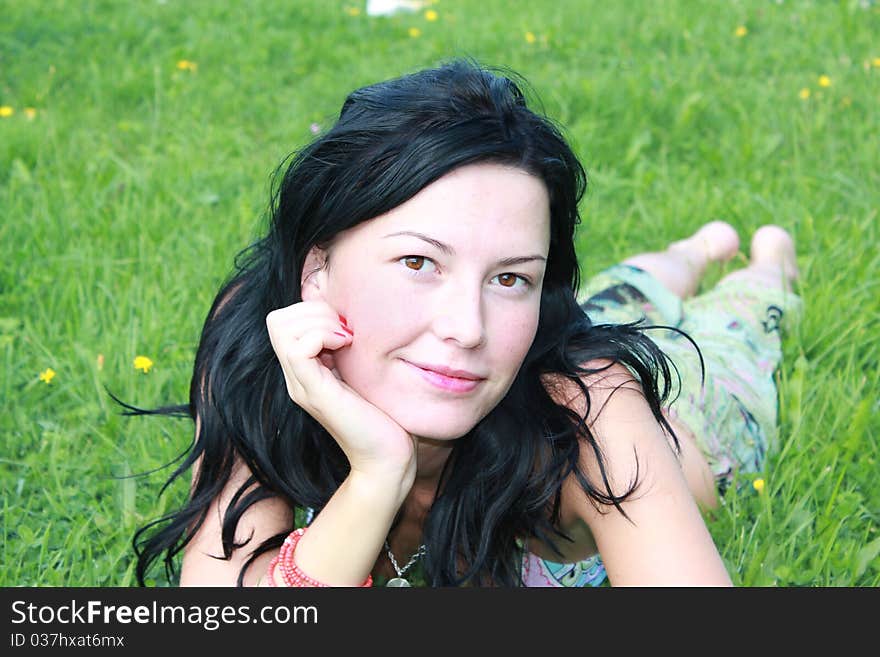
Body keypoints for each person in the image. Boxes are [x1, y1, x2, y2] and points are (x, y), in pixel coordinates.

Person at [129, 59, 801, 587]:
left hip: (692, 413)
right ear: (316, 272)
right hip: (560, 338)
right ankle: (693, 250)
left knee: (739, 325)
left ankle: (765, 263)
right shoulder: (261, 339)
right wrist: (377, 474)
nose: (466, 326)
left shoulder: (595, 407)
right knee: (623, 291)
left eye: (513, 277)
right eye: (420, 261)